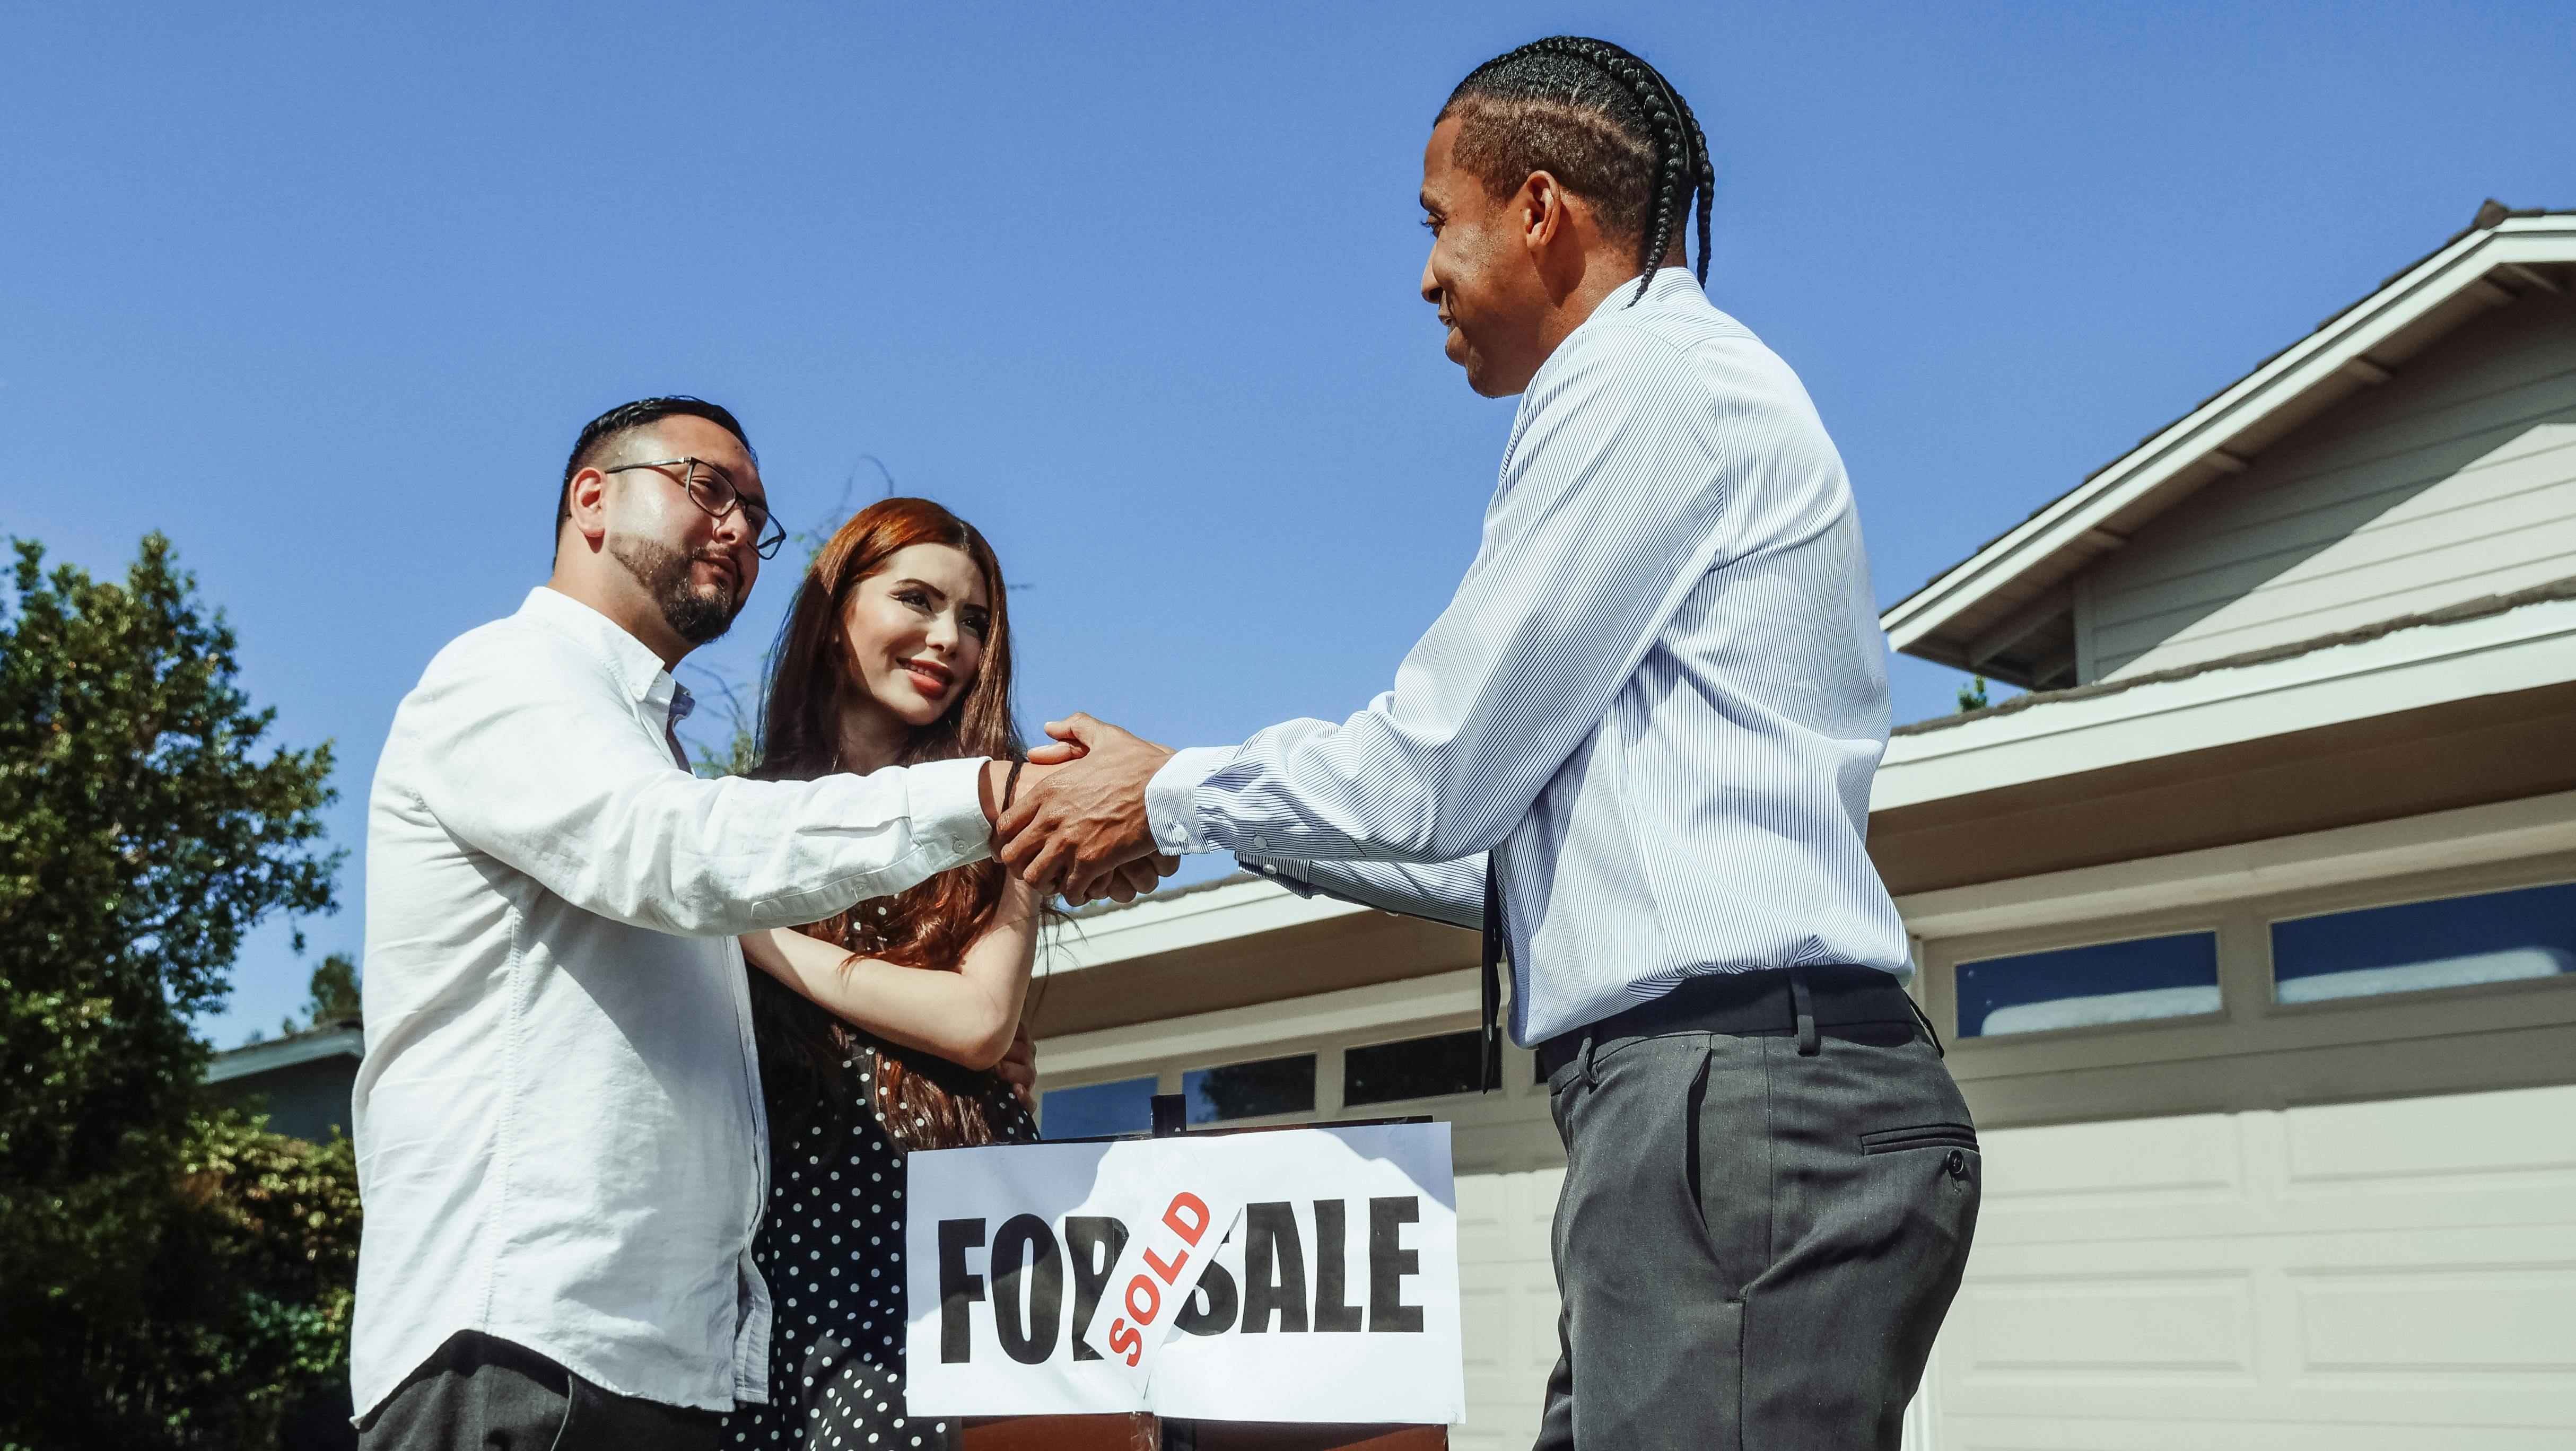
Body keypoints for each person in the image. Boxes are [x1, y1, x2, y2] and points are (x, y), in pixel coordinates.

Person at [997, 37, 1978, 1451]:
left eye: (1434, 222)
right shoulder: (1668, 388)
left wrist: (1168, 798)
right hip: (1713, 1109)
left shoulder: (1639, 382)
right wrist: (1217, 820)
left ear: (1536, 209)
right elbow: (1507, 861)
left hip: (1736, 1105)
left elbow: (1438, 767)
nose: (1423, 275)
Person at [351, 399, 1156, 1450]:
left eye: (757, 514)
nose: (736, 528)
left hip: (668, 1365)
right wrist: (1004, 798)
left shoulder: (647, 748)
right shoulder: (506, 680)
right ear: (591, 497)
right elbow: (679, 854)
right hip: (529, 1344)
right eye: (706, 488)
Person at [715, 499, 1047, 1450]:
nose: (950, 638)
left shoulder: (1003, 821)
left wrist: (752, 936)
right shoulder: (728, 823)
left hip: (954, 1260)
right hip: (777, 1266)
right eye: (917, 599)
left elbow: (979, 1022)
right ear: (835, 614)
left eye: (975, 621)